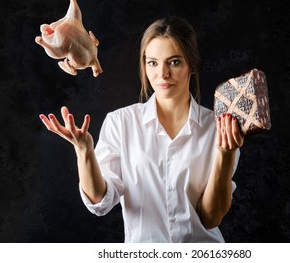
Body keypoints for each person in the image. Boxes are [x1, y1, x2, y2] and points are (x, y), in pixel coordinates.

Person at [39, 16, 244, 242]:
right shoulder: (121, 123)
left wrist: (225, 153)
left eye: (174, 62)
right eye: (152, 62)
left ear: (192, 65)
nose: (162, 74)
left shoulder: (219, 128)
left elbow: (211, 218)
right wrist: (84, 150)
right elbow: (100, 201)